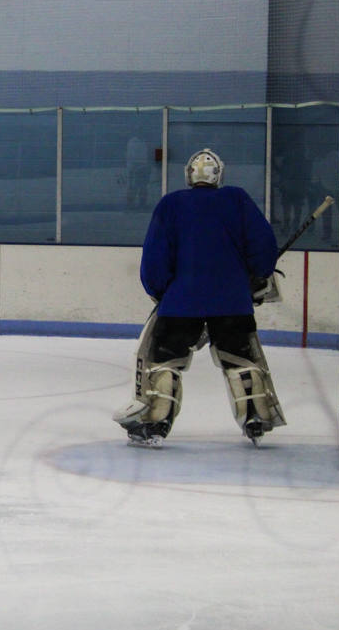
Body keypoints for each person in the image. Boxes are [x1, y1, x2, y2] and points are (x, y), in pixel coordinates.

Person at [112, 149, 284, 448]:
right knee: (241, 359)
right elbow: (264, 244)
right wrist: (257, 275)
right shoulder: (237, 199)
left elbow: (155, 257)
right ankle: (256, 417)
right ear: (220, 174)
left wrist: (160, 291)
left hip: (182, 301)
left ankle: (156, 422)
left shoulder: (171, 204)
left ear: (189, 175)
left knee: (165, 363)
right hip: (232, 300)